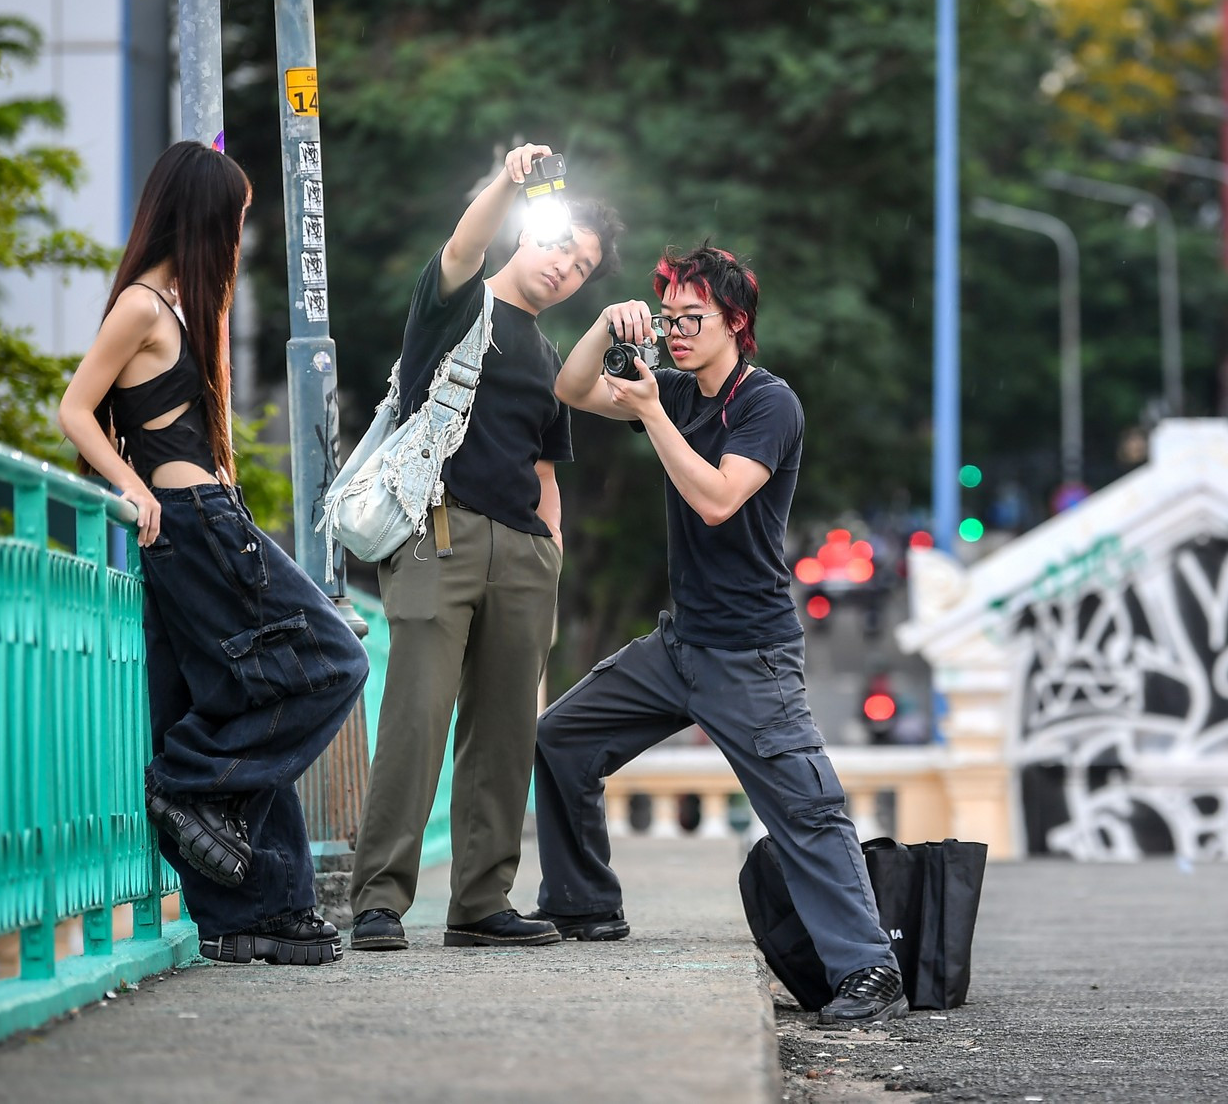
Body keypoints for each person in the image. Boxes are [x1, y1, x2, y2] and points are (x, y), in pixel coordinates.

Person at [533, 241, 906, 1026]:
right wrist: (607, 322)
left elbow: (716, 499)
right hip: (680, 647)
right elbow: (569, 387)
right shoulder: (668, 387)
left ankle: (869, 968)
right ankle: (586, 904)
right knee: (561, 738)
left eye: (690, 318)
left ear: (735, 321)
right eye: (666, 318)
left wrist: (653, 414)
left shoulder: (768, 403)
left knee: (807, 809)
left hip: (753, 653)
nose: (675, 332)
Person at [58, 141, 370, 966]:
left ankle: (257, 909)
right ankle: (188, 780)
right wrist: (134, 488)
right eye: (233, 215)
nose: (240, 229)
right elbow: (76, 408)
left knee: (242, 696)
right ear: (200, 213)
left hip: (212, 517)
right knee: (333, 663)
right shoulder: (142, 307)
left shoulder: (187, 304)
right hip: (190, 524)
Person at [348, 144, 622, 951]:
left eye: (581, 267)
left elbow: (545, 461)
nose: (563, 267)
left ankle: (479, 901)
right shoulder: (458, 304)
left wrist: (552, 550)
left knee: (505, 733)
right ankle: (379, 899)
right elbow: (463, 246)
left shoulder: (546, 354)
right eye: (558, 245)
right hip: (442, 532)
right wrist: (509, 179)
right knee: (415, 718)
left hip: (525, 554)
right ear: (527, 234)